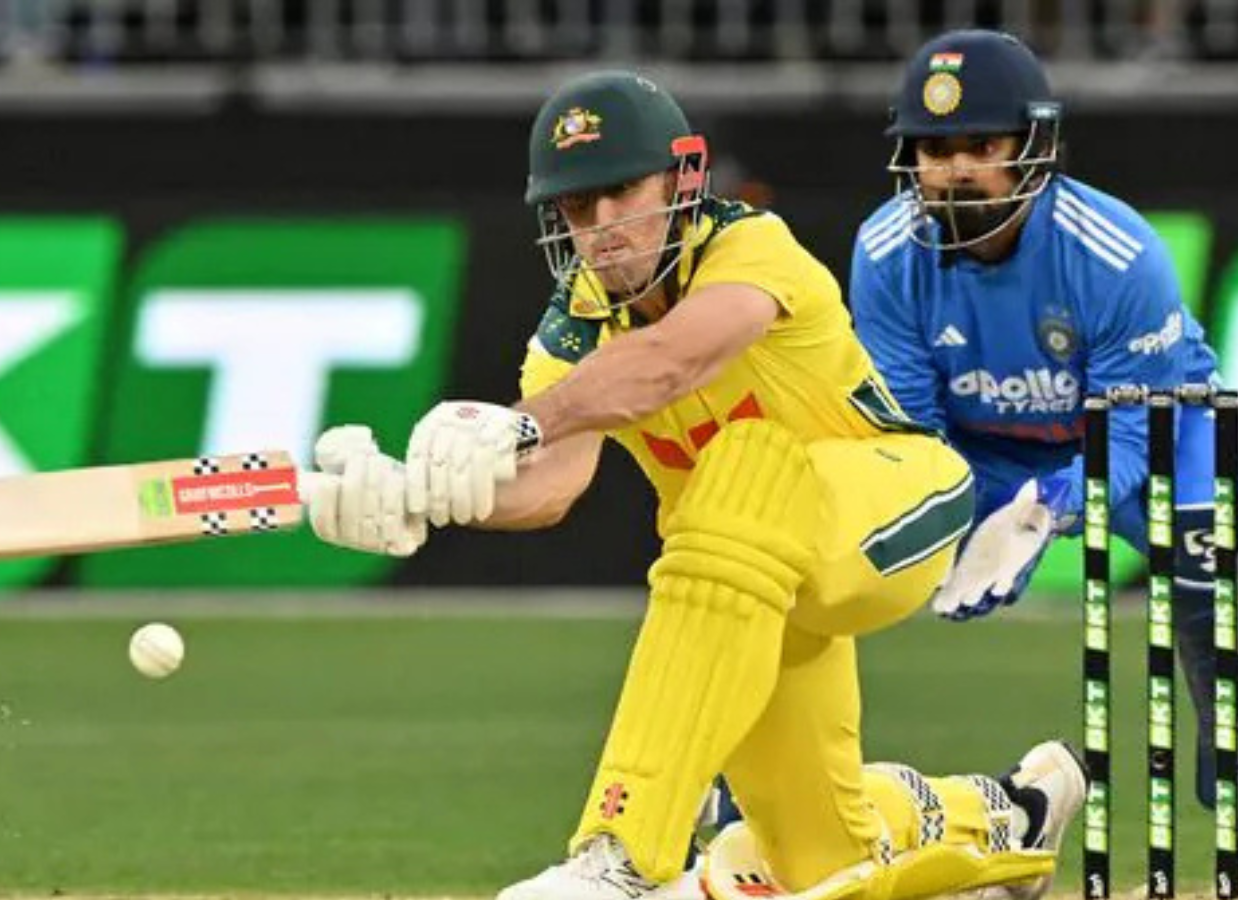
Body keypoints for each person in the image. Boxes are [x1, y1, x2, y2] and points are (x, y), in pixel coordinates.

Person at [303, 69, 1086, 900]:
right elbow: (551, 485)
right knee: (819, 857)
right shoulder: (578, 324)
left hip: (891, 506)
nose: (602, 227)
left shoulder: (750, 246)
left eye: (621, 193)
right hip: (743, 585)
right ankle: (1011, 813)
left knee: (744, 463)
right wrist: (421, 495)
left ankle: (623, 852)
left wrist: (523, 422)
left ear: (682, 180)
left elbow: (672, 361)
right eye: (577, 207)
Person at [846, 29, 1238, 899]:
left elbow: (1131, 431)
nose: (956, 172)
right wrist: (950, 518)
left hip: (1156, 426)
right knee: (823, 547)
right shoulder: (885, 254)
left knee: (1230, 567)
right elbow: (910, 429)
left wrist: (1052, 507)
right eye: (935, 150)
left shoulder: (1114, 251)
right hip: (981, 450)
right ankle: (774, 803)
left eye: (981, 146)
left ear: (1035, 146)